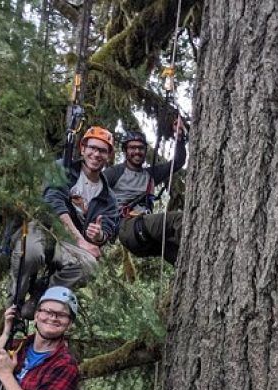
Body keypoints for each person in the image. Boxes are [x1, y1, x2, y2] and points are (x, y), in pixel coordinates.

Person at [10, 126, 119, 317]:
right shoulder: (62, 167)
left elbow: (108, 227)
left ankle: (43, 295)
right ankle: (14, 306)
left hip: (69, 243)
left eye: (102, 150)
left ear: (109, 155)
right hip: (46, 227)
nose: (96, 154)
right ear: (82, 149)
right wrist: (81, 240)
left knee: (88, 266)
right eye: (92, 148)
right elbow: (53, 201)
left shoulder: (108, 197)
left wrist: (99, 235)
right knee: (29, 254)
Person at [105, 120, 187, 265]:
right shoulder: (114, 173)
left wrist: (179, 138)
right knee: (178, 220)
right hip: (129, 226)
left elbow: (178, 162)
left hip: (143, 237)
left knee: (182, 258)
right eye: (132, 148)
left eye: (141, 148)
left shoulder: (150, 174)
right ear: (125, 151)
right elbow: (95, 190)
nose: (137, 151)